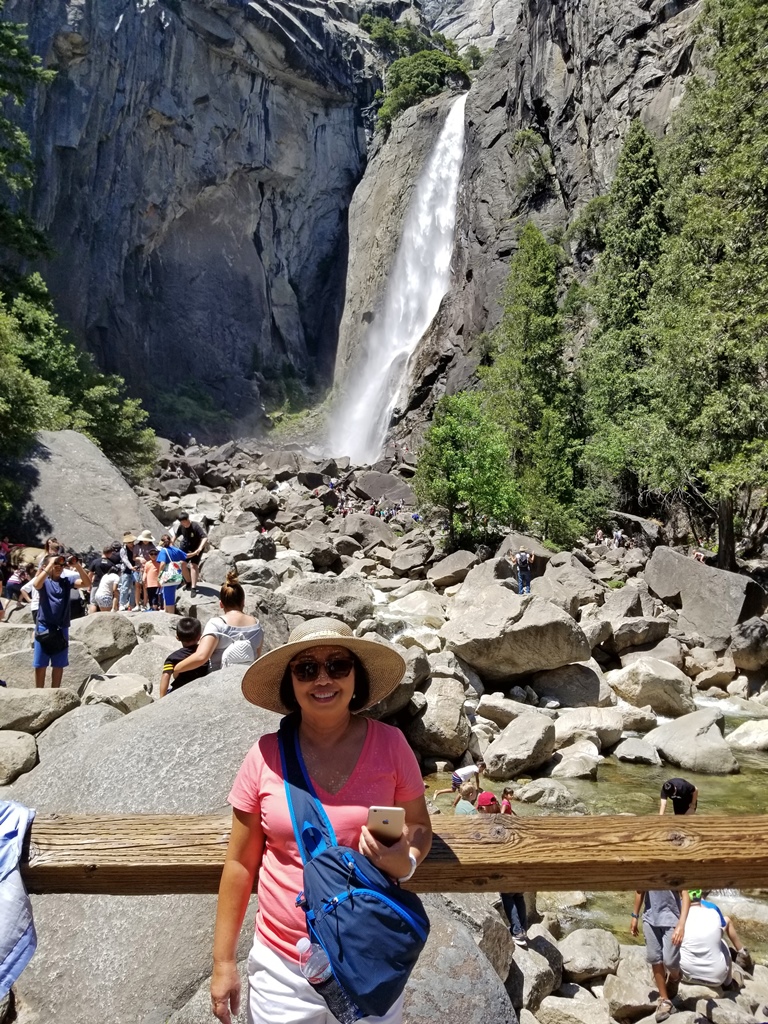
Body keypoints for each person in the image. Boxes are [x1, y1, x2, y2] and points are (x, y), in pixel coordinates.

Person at [210, 617, 432, 1024]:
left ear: (356, 678)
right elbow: (240, 863)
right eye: (307, 668)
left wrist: (407, 861)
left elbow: (419, 825)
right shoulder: (264, 755)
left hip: (367, 952)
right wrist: (223, 961)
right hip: (282, 962)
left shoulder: (391, 745)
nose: (323, 679)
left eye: (338, 666)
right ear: (291, 684)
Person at [171, 572, 263, 680]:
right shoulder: (257, 626)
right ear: (243, 602)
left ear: (221, 604)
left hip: (218, 681)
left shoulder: (216, 624)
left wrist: (177, 669)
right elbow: (257, 657)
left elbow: (201, 657)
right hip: (246, 680)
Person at [31, 554, 91, 688]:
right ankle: (39, 691)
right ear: (46, 567)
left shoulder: (66, 581)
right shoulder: (45, 582)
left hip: (61, 627)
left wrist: (77, 566)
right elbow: (36, 584)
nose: (59, 568)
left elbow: (86, 583)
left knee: (59, 664)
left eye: (61, 565)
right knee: (40, 664)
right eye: (55, 565)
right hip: (44, 626)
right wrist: (50, 564)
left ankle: (55, 691)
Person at [673, 890, 752, 987]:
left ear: (682, 896)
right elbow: (722, 926)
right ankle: (729, 982)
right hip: (716, 979)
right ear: (701, 894)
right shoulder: (713, 912)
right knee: (722, 942)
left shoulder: (678, 914)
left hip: (686, 975)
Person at [630, 890, 682, 1022]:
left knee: (670, 961)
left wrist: (681, 924)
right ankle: (664, 1001)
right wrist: (634, 916)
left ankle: (675, 977)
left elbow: (685, 894)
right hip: (650, 918)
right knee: (655, 958)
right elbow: (639, 890)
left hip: (672, 918)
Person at [159, 617, 210, 696]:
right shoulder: (204, 652)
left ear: (177, 638)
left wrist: (162, 698)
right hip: (203, 687)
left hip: (179, 689)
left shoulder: (172, 658)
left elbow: (166, 676)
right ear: (199, 637)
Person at [173, 512, 207, 597]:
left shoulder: (195, 526)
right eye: (182, 522)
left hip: (196, 548)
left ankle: (193, 587)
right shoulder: (181, 526)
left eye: (185, 521)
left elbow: (204, 537)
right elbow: (176, 535)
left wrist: (200, 548)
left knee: (193, 565)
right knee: (182, 563)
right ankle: (188, 582)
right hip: (185, 547)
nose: (184, 523)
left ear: (188, 519)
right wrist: (171, 543)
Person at [156, 534, 188, 615]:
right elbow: (186, 556)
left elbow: (162, 564)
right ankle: (167, 612)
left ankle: (171, 615)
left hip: (168, 577)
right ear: (170, 540)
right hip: (176, 576)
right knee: (169, 594)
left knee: (168, 596)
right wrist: (196, 552)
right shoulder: (175, 550)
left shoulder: (164, 551)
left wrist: (159, 576)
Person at [88, 545, 120, 614]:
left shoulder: (95, 562)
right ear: (110, 553)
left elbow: (90, 574)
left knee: (93, 603)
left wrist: (89, 585)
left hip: (96, 584)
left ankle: (90, 619)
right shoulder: (111, 564)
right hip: (106, 587)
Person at [118, 533, 139, 611]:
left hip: (136, 569)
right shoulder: (123, 549)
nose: (131, 544)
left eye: (132, 542)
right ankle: (122, 604)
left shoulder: (136, 547)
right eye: (129, 542)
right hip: (126, 569)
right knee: (124, 587)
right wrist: (131, 567)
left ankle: (132, 604)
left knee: (134, 587)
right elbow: (125, 560)